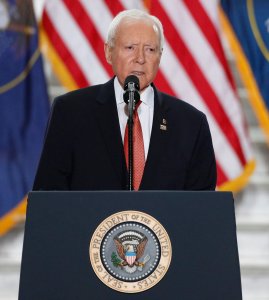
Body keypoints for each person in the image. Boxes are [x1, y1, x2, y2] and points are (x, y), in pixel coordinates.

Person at [33, 9, 217, 191]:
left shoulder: (191, 123)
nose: (140, 59)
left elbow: (202, 210)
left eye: (150, 49)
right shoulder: (70, 112)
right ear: (108, 52)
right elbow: (48, 197)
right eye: (130, 48)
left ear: (159, 56)